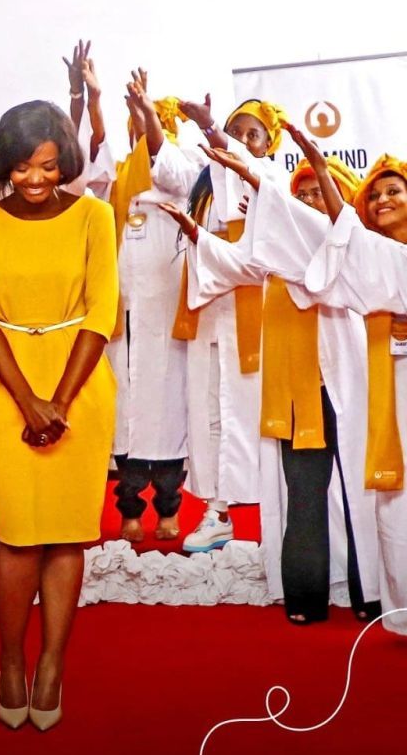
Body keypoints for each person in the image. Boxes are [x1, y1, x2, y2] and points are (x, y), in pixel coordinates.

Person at [162, 138, 380, 624]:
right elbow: (235, 264)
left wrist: (261, 186)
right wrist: (197, 234)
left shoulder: (355, 242)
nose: (308, 201)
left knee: (359, 491)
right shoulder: (277, 255)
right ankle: (305, 595)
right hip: (298, 390)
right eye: (300, 194)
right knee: (303, 491)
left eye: (318, 192)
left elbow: (315, 239)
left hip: (350, 386)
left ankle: (371, 591)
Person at [0, 100, 118, 731]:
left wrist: (60, 401)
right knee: (20, 532)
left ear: (65, 163)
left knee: (68, 531)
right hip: (6, 386)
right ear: (3, 163)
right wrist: (30, 402)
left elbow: (102, 310)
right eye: (23, 167)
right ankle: (9, 660)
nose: (35, 179)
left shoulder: (95, 216)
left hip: (81, 379)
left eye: (48, 167)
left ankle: (51, 663)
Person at [261, 132, 407, 635]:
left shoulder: (365, 251)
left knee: (372, 495)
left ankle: (371, 592)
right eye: (376, 193)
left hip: (367, 388)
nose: (383, 200)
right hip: (360, 392)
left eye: (394, 191)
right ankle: (368, 599)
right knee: (364, 498)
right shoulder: (352, 255)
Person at [171, 96, 288, 552]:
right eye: (234, 131)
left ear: (268, 144)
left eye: (251, 134)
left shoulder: (272, 180)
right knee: (210, 415)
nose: (240, 141)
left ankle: (274, 519)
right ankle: (216, 512)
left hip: (256, 316)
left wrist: (212, 130)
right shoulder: (205, 184)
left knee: (253, 417)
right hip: (210, 312)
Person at [105, 73, 203, 544]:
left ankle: (168, 508)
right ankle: (129, 510)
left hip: (167, 318)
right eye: (136, 127)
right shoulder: (119, 178)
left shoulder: (181, 173)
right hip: (124, 320)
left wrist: (149, 115)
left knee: (168, 418)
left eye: (149, 128)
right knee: (125, 420)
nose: (141, 135)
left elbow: (166, 164)